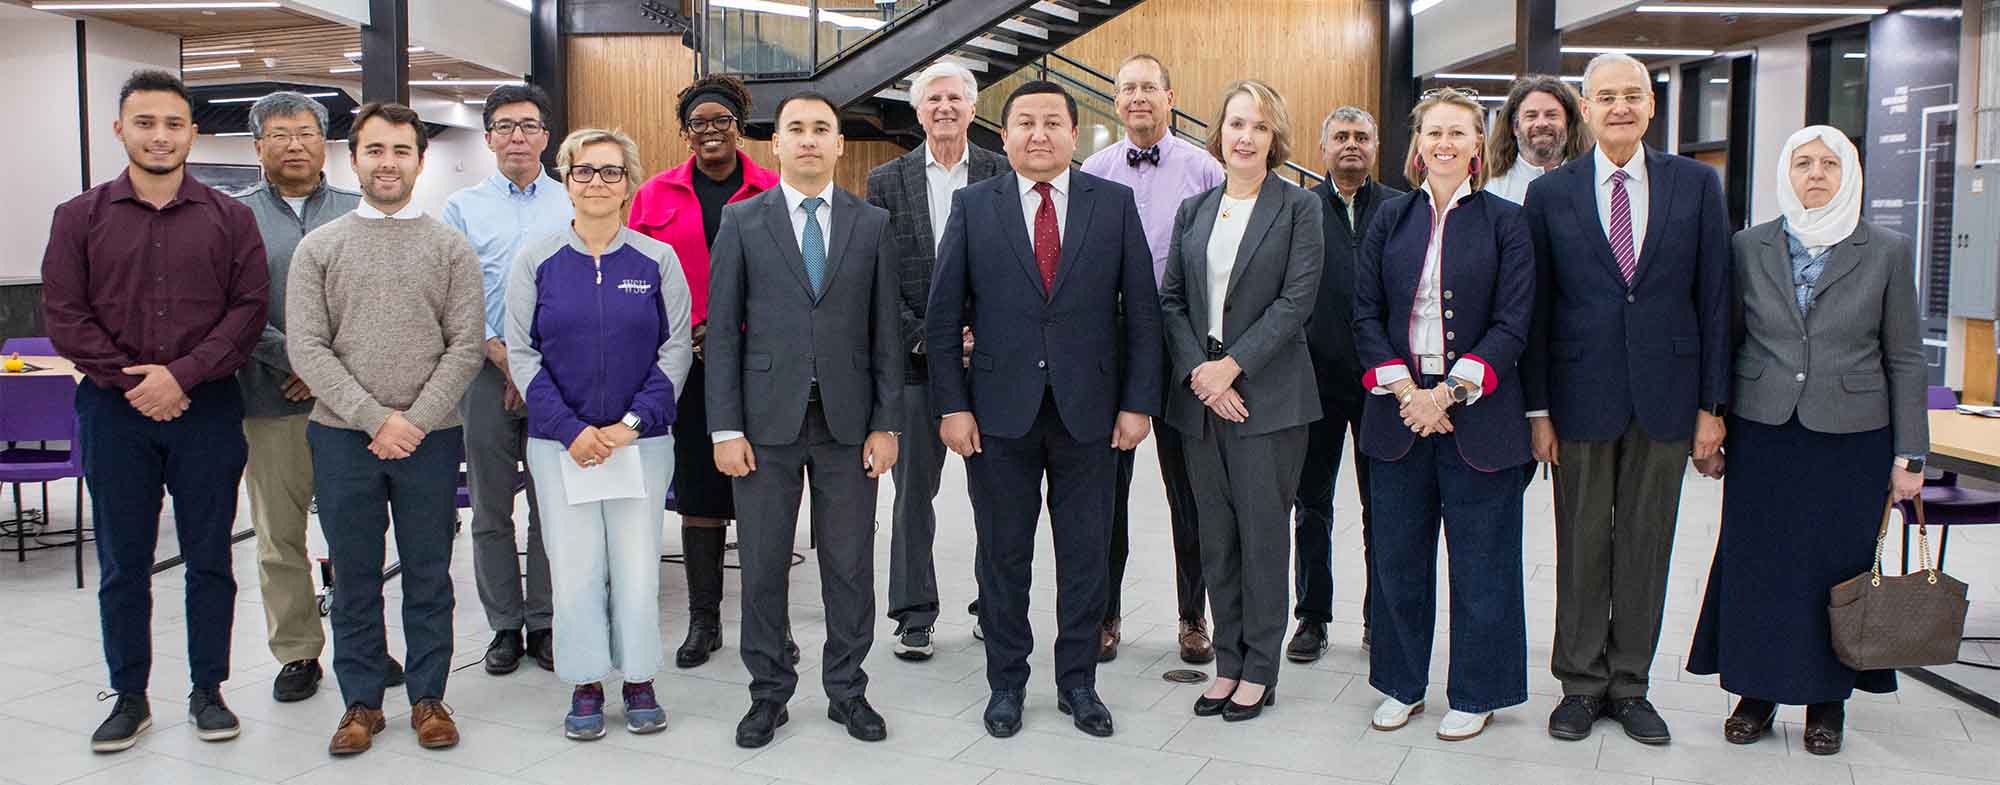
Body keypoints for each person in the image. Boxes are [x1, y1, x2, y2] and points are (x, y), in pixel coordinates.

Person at [927, 80, 1162, 740]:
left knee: (1087, 556)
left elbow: (1141, 312)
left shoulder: (1112, 205)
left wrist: (1139, 402)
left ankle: (1079, 681)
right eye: (1024, 122)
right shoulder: (975, 207)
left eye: (1052, 122)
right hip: (998, 414)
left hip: (1092, 413)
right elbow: (945, 318)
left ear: (1073, 135)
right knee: (1004, 556)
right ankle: (1007, 681)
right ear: (1002, 137)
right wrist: (952, 405)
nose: (1038, 133)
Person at [43, 69, 268, 753]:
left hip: (207, 409)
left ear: (192, 133)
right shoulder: (77, 216)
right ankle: (130, 694)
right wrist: (137, 381)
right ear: (120, 130)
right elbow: (64, 316)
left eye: (174, 124)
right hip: (114, 411)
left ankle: (209, 689)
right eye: (146, 122)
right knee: (123, 562)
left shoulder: (232, 218)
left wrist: (183, 375)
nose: (161, 136)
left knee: (208, 558)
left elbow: (249, 310)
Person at [1685, 126, 1927, 757]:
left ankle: (1827, 703)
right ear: (1784, 174)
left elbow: (1905, 356)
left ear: (1849, 173)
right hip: (1764, 432)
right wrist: (1711, 421)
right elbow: (1725, 339)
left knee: (1835, 570)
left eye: (1828, 163)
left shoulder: (1887, 250)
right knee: (1759, 564)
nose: (1815, 174)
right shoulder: (1747, 246)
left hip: (1853, 438)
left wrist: (1911, 456)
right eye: (1802, 163)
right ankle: (1756, 694)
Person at [1521, 53, 1732, 745]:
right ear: (1585, 106)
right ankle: (1580, 684)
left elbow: (1716, 302)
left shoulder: (1697, 185)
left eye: (1632, 95)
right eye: (1605, 95)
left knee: (1646, 543)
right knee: (1580, 544)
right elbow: (1539, 311)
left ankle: (1631, 683)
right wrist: (1539, 409)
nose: (1619, 107)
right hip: (1579, 398)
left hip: (1668, 400)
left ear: (1651, 105)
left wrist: (1712, 406)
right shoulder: (1551, 194)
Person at [705, 91, 903, 749]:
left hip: (850, 426)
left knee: (848, 565)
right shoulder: (742, 222)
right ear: (777, 143)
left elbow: (885, 337)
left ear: (840, 144)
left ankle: (848, 689)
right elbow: (724, 334)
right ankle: (769, 693)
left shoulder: (871, 224)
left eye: (823, 128)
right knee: (762, 566)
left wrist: (887, 423)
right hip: (764, 424)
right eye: (798, 128)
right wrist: (724, 427)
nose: (810, 139)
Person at [287, 102, 485, 756]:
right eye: (375, 150)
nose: (388, 162)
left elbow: (463, 347)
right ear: (354, 158)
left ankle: (429, 695)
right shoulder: (319, 247)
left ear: (420, 160)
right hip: (343, 437)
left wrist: (414, 421)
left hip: (430, 439)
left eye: (401, 150)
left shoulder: (450, 247)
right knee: (355, 575)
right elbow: (309, 349)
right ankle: (362, 702)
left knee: (429, 572)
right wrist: (377, 419)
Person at [1353, 88, 1535, 742]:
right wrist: (1410, 394)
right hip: (1399, 418)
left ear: (1478, 147)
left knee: (1483, 565)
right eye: (1434, 132)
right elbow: (1364, 316)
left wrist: (1449, 394)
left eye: (1459, 133)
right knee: (1399, 560)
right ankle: (1401, 684)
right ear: (1418, 144)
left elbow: (1514, 323)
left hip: (1478, 419)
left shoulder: (1507, 222)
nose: (1445, 143)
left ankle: (1479, 690)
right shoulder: (1389, 220)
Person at [507, 128, 693, 740]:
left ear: (629, 183)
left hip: (640, 444)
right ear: (565, 178)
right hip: (561, 447)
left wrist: (628, 425)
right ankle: (585, 681)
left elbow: (675, 353)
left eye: (611, 172)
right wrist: (570, 430)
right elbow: (521, 353)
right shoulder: (536, 259)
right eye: (584, 171)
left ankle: (638, 677)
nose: (597, 183)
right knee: (576, 566)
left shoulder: (656, 261)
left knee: (638, 566)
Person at [231, 91, 411, 703]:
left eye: (307, 133)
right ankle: (298, 652)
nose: (295, 145)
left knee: (356, 536)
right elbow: (234, 307)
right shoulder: (234, 218)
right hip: (270, 398)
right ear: (258, 146)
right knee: (280, 535)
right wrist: (299, 359)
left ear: (325, 142)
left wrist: (328, 370)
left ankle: (364, 644)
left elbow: (386, 300)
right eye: (280, 134)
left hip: (352, 404)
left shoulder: (360, 207)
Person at [1158, 80, 1322, 721]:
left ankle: (1260, 668)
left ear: (1273, 136)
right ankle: (1227, 662)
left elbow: (1295, 301)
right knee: (1215, 538)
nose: (1244, 136)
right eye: (1234, 124)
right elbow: (1172, 300)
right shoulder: (1195, 209)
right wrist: (1200, 373)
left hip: (1269, 403)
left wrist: (1231, 368)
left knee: (1260, 538)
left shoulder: (1298, 209)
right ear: (1218, 133)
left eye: (1257, 126)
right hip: (1201, 403)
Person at [626, 76, 792, 670]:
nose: (711, 131)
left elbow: (792, 279)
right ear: (685, 132)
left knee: (762, 489)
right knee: (699, 490)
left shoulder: (773, 190)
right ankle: (703, 621)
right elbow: (640, 281)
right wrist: (691, 328)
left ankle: (768, 622)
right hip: (688, 364)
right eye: (699, 122)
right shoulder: (654, 196)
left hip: (766, 362)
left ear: (741, 125)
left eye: (722, 120)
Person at [1079, 53, 1223, 665]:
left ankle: (1194, 615)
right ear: (1115, 100)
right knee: (1106, 489)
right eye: (1126, 88)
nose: (1138, 97)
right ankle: (1105, 615)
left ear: (1171, 95)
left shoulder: (1204, 168)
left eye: (1148, 87)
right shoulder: (1093, 168)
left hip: (1181, 338)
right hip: (1110, 340)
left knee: (1188, 489)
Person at [865, 61, 1008, 661]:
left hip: (994, 365)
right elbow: (880, 280)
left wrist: (988, 335)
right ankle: (914, 613)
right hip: (917, 365)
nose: (945, 108)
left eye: (955, 98)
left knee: (997, 496)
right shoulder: (885, 181)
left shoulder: (1003, 173)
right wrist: (929, 338)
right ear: (917, 111)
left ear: (973, 109)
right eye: (933, 100)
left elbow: (1015, 269)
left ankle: (993, 606)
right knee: (912, 495)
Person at [441, 83, 573, 676]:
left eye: (528, 125)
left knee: (552, 506)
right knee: (491, 509)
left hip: (556, 377)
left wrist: (534, 363)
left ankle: (544, 620)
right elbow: (454, 295)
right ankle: (503, 626)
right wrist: (500, 354)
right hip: (484, 371)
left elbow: (578, 289)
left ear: (546, 136)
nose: (516, 136)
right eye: (504, 126)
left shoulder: (572, 200)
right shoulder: (461, 209)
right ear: (488, 136)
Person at [1292, 106, 1402, 664]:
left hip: (1384, 383)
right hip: (1314, 381)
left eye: (1362, 136)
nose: (1351, 145)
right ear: (1322, 147)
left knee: (1381, 506)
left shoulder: (1402, 209)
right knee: (1311, 504)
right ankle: (1311, 617)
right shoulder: (1299, 208)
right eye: (1341, 137)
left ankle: (1379, 616)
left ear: (1376, 146)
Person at [1484, 76, 1590, 206]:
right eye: (1531, 116)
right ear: (1515, 127)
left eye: (1551, 115)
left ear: (1569, 124)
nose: (1541, 123)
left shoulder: (1590, 181)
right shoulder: (1491, 187)